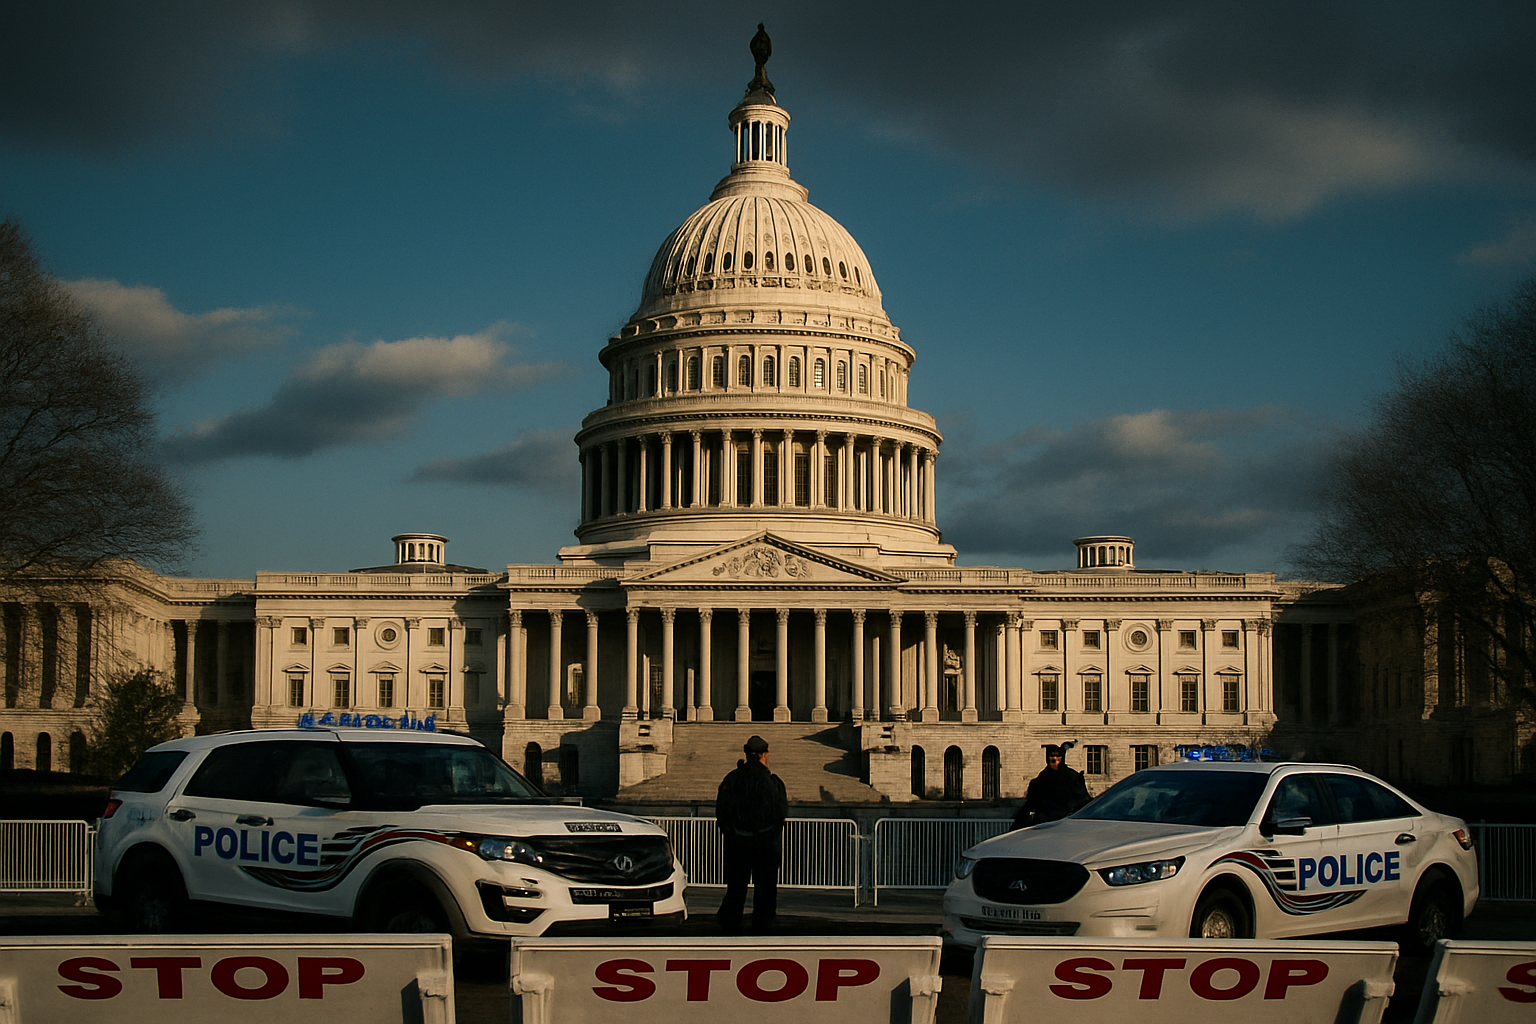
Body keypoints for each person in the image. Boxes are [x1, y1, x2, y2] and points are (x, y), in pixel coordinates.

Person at [714, 734, 788, 932]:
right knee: (765, 889)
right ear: (764, 755)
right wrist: (770, 836)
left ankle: (729, 924)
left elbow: (722, 811)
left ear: (747, 755)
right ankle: (763, 926)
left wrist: (731, 833)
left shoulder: (732, 779)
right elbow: (781, 814)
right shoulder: (773, 782)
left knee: (736, 888)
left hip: (738, 842)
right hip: (765, 843)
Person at [1010, 744, 1090, 830]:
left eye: (1057, 756)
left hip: (1067, 824)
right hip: (1045, 823)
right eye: (1052, 756)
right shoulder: (1040, 780)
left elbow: (1083, 801)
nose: (1054, 759)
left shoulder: (1072, 777)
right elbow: (1030, 804)